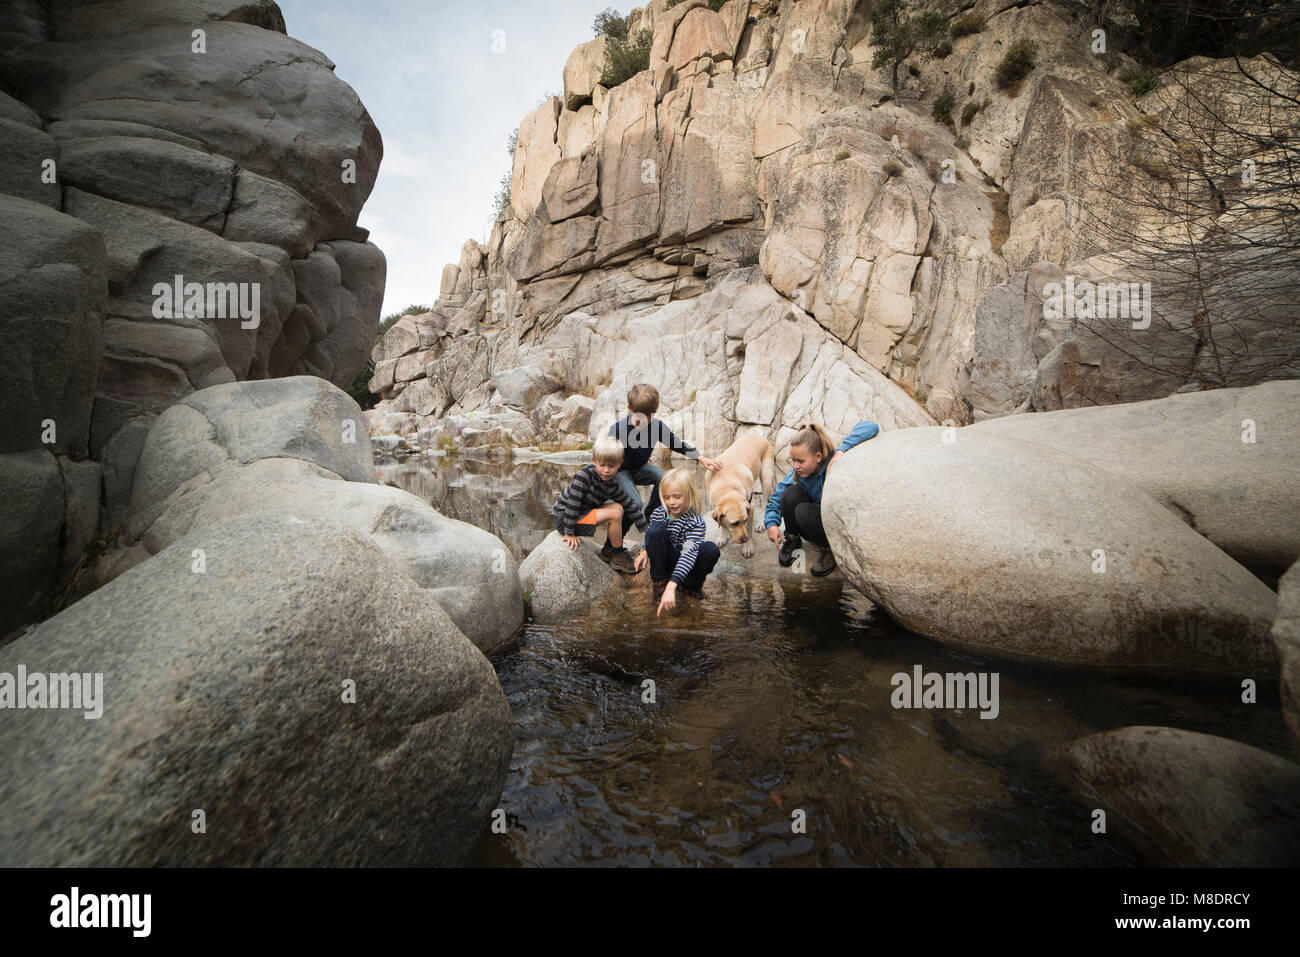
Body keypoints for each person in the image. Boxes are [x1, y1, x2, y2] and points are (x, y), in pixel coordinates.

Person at [764, 420, 879, 576]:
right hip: (808, 524)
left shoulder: (832, 464)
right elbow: (777, 498)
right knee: (790, 494)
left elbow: (871, 426)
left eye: (801, 461)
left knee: (803, 511)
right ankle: (792, 539)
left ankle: (828, 550)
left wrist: (842, 449)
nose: (796, 466)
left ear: (818, 456)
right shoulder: (797, 473)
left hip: (827, 527)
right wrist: (771, 523)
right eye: (793, 461)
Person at [609, 383, 721, 536]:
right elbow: (606, 457)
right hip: (620, 471)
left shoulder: (656, 426)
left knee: (663, 477)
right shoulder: (618, 429)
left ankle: (650, 516)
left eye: (649, 416)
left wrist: (701, 458)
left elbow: (677, 445)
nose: (645, 421)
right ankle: (613, 546)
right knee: (635, 503)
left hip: (640, 468)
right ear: (629, 409)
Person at [552, 434, 648, 573]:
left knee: (619, 507)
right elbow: (573, 504)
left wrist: (647, 531)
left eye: (611, 466)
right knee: (614, 514)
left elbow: (630, 505)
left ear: (619, 464)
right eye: (602, 465)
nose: (606, 470)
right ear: (594, 461)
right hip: (565, 518)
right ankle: (617, 554)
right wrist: (569, 533)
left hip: (582, 512)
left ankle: (609, 550)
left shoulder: (612, 485)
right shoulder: (584, 476)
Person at [633, 468, 720, 616]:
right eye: (667, 497)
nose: (671, 502)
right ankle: (660, 585)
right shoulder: (659, 513)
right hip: (666, 562)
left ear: (689, 494)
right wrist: (644, 550)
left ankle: (691, 587)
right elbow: (652, 535)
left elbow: (688, 554)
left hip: (686, 563)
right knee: (655, 529)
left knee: (711, 549)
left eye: (677, 497)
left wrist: (672, 586)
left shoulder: (696, 521)